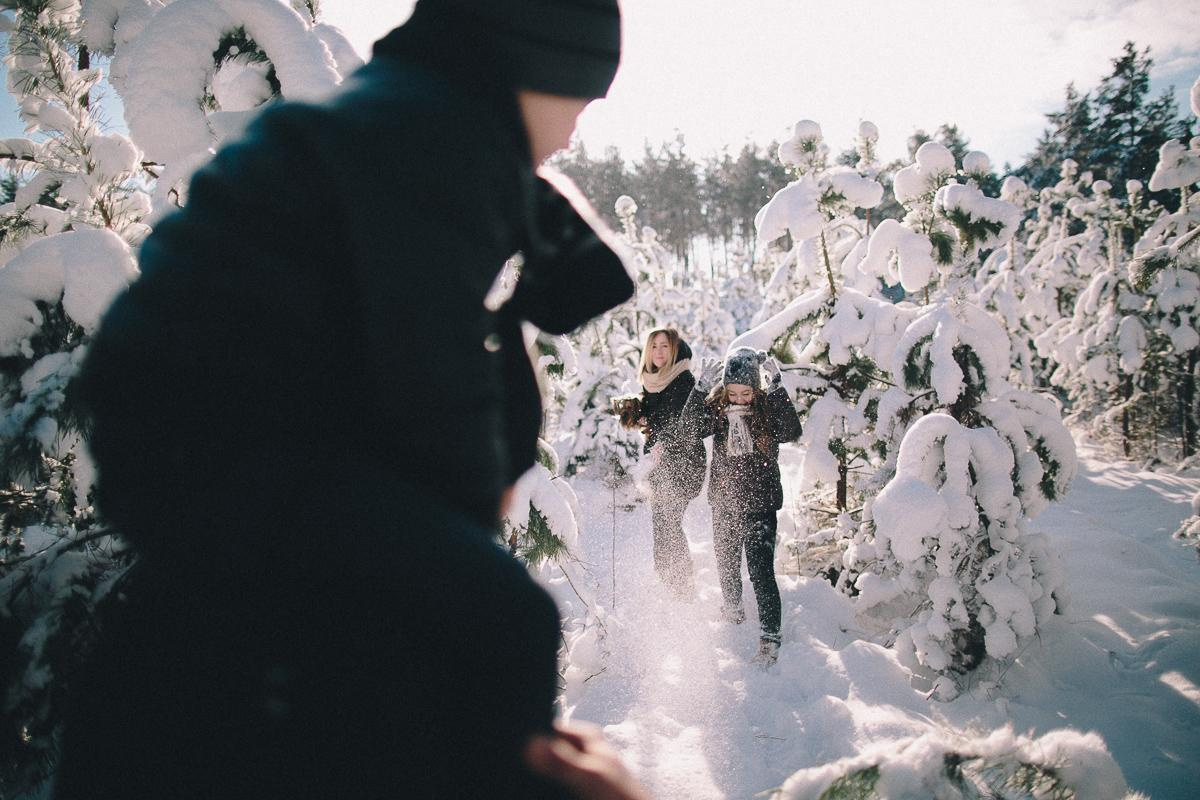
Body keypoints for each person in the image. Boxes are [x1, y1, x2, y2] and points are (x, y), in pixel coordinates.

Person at [56, 1, 649, 798]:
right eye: (580, 97)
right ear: (531, 64)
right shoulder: (439, 140)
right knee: (505, 622)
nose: (577, 128)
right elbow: (432, 396)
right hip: (264, 524)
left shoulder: (382, 125)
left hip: (221, 532)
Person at [684, 348, 803, 665]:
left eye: (745, 393)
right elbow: (689, 431)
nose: (738, 400)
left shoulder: (766, 412)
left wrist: (777, 387)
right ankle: (733, 610)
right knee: (726, 563)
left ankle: (770, 637)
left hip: (760, 507)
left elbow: (792, 431)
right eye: (732, 393)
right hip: (724, 504)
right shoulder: (719, 412)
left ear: (756, 390)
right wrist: (698, 391)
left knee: (761, 572)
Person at [620, 327, 707, 598]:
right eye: (654, 346)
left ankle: (682, 587)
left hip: (684, 463)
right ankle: (674, 583)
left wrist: (662, 441)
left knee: (668, 523)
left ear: (675, 350)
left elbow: (685, 424)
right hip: (662, 463)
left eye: (665, 346)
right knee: (664, 524)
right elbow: (658, 415)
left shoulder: (682, 380)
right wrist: (638, 413)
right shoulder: (655, 380)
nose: (659, 352)